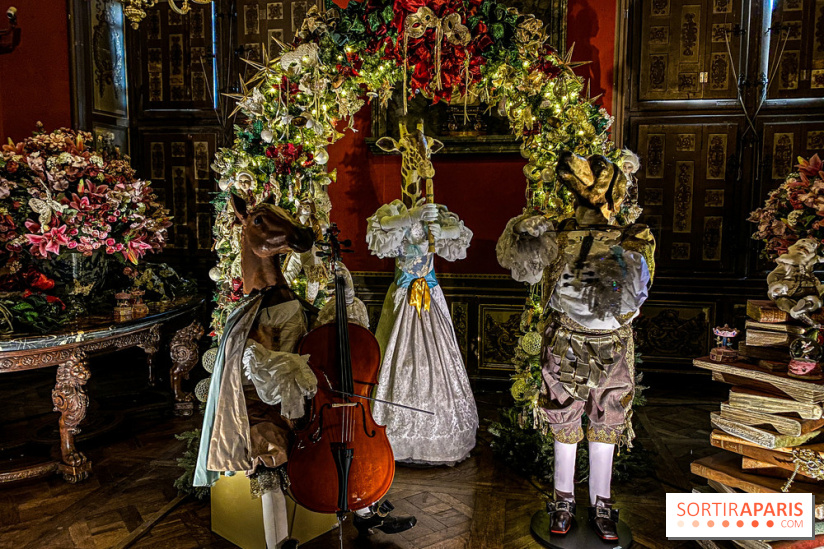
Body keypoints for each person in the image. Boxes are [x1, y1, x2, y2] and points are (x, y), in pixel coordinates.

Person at [497, 151, 655, 541]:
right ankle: (563, 499)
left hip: (612, 342)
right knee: (563, 417)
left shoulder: (633, 237)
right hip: (566, 337)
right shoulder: (559, 234)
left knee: (608, 417)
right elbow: (531, 272)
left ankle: (602, 502)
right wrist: (525, 234)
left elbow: (638, 292)